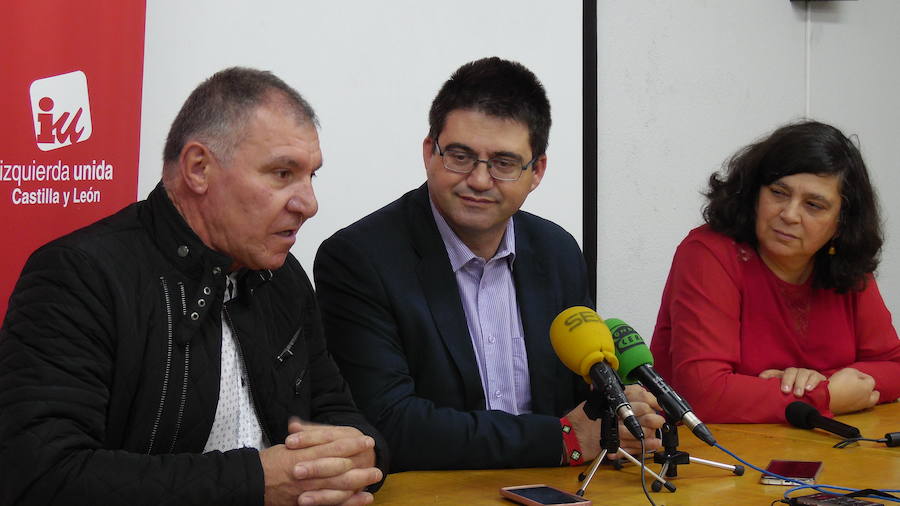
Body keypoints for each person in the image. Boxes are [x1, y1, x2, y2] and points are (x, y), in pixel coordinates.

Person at [0, 67, 387, 506]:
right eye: (282, 174)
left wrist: (359, 456)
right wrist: (255, 483)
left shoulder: (284, 277)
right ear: (198, 168)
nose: (309, 204)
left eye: (311, 176)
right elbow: (42, 476)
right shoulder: (79, 275)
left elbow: (341, 413)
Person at [313, 57, 663, 472]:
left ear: (537, 172)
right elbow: (387, 424)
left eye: (503, 163)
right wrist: (562, 439)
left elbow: (577, 397)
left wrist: (618, 414)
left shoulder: (557, 252)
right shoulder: (358, 259)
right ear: (430, 152)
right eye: (459, 156)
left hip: (558, 490)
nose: (479, 180)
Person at [651, 120, 900, 423]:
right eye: (779, 192)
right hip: (711, 454)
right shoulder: (709, 253)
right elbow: (703, 394)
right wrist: (825, 395)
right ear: (754, 193)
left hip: (817, 448)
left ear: (841, 223)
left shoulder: (846, 264)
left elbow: (893, 365)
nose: (790, 214)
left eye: (813, 205)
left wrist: (816, 381)